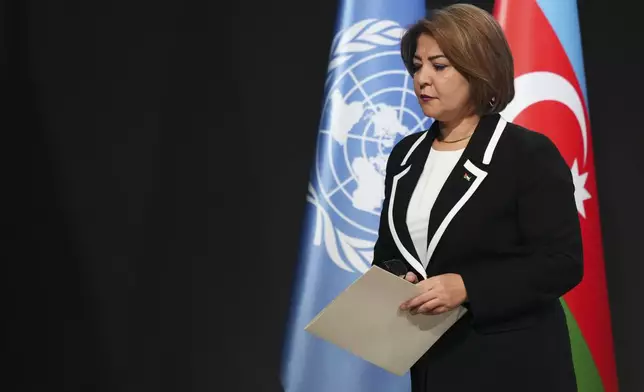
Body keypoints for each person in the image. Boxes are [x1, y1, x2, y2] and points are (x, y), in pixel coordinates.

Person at [372, 4, 583, 392]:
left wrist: (469, 286)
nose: (422, 79)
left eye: (439, 66)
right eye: (417, 66)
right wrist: (399, 278)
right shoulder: (405, 155)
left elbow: (562, 264)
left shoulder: (526, 154)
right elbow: (388, 251)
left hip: (513, 366)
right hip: (434, 365)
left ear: (479, 69)